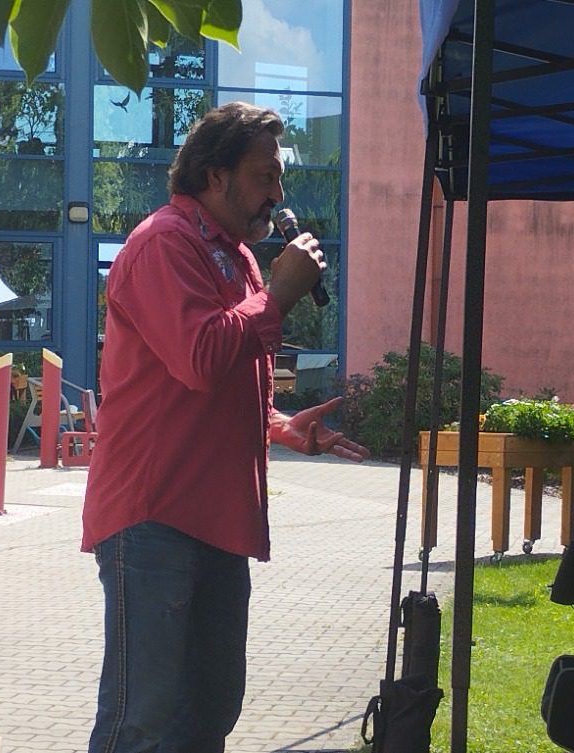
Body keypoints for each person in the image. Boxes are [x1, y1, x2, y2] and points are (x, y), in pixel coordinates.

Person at [81, 101, 370, 753]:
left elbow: (217, 381)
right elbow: (201, 356)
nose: (278, 194)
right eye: (265, 176)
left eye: (279, 177)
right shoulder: (163, 243)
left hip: (213, 520)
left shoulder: (234, 257)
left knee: (210, 709)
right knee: (142, 718)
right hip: (154, 517)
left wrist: (280, 426)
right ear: (216, 176)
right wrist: (279, 293)